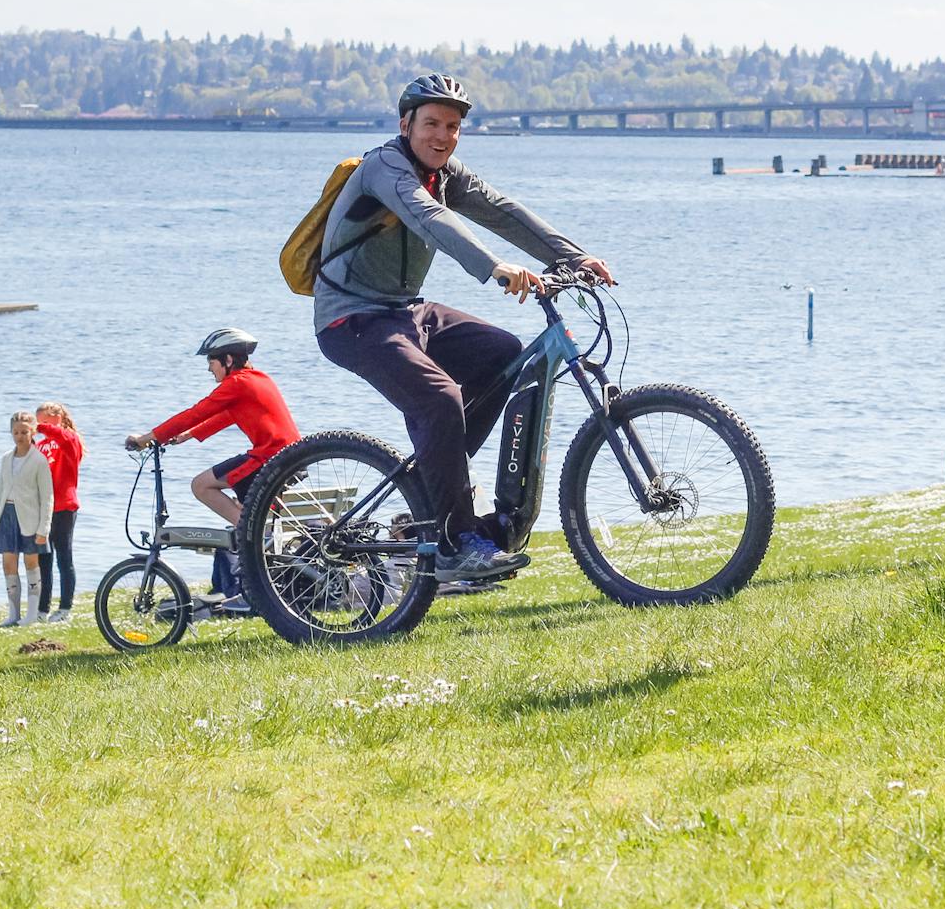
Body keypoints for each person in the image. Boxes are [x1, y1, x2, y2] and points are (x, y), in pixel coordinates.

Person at [313, 73, 615, 584]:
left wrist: (573, 255)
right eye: (431, 123)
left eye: (453, 127)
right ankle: (455, 545)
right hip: (351, 317)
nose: (442, 136)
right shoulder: (384, 166)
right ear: (405, 123)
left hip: (405, 310)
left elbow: (503, 211)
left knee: (502, 354)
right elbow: (430, 218)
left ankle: (434, 493)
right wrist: (494, 267)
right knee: (439, 398)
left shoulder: (446, 172)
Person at [125, 327, 302, 613]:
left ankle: (252, 536)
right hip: (286, 456)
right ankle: (253, 539)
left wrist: (147, 438)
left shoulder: (237, 383)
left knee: (201, 485)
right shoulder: (256, 379)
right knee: (231, 501)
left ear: (228, 360)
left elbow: (197, 411)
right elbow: (228, 414)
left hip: (267, 458)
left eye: (211, 361)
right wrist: (188, 435)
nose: (209, 368)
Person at [0, 409, 54, 627]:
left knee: (30, 563)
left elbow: (47, 497)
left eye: (24, 432)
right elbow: (0, 491)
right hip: (7, 516)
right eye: (16, 432)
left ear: (33, 432)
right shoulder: (6, 459)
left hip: (30, 518)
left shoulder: (39, 460)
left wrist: (43, 529)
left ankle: (32, 614)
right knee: (8, 563)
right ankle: (13, 614)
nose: (20, 436)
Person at [32, 401, 83, 623]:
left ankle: (65, 608)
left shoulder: (70, 439)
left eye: (44, 421)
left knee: (64, 557)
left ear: (57, 417)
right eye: (39, 422)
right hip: (43, 508)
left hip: (64, 506)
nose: (40, 426)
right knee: (44, 559)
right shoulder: (42, 445)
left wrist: (38, 427)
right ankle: (42, 610)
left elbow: (62, 437)